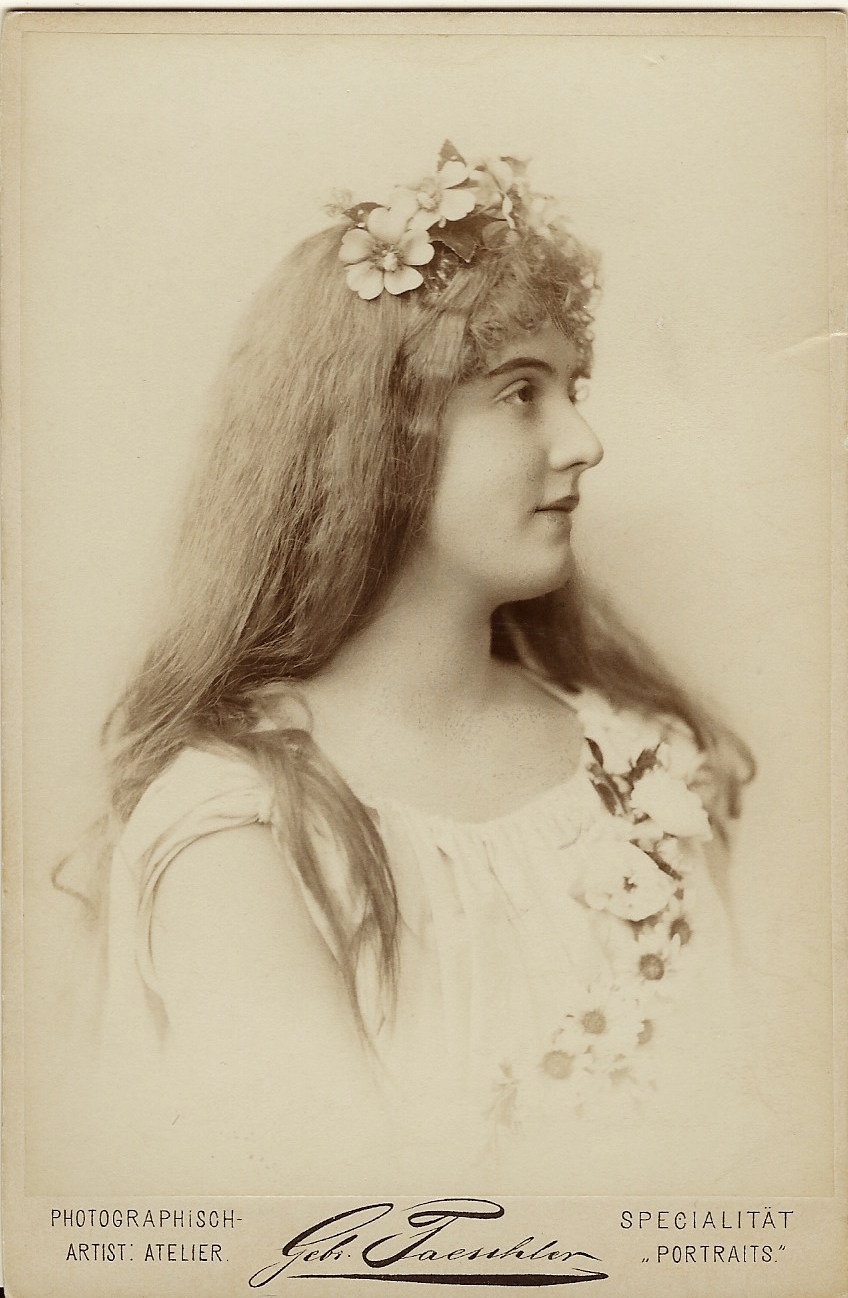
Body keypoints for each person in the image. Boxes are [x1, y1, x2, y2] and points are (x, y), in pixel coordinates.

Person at [58, 142, 756, 1194]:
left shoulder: (637, 762)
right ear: (377, 443)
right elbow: (331, 1221)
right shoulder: (243, 826)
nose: (584, 440)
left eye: (572, 387)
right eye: (519, 393)